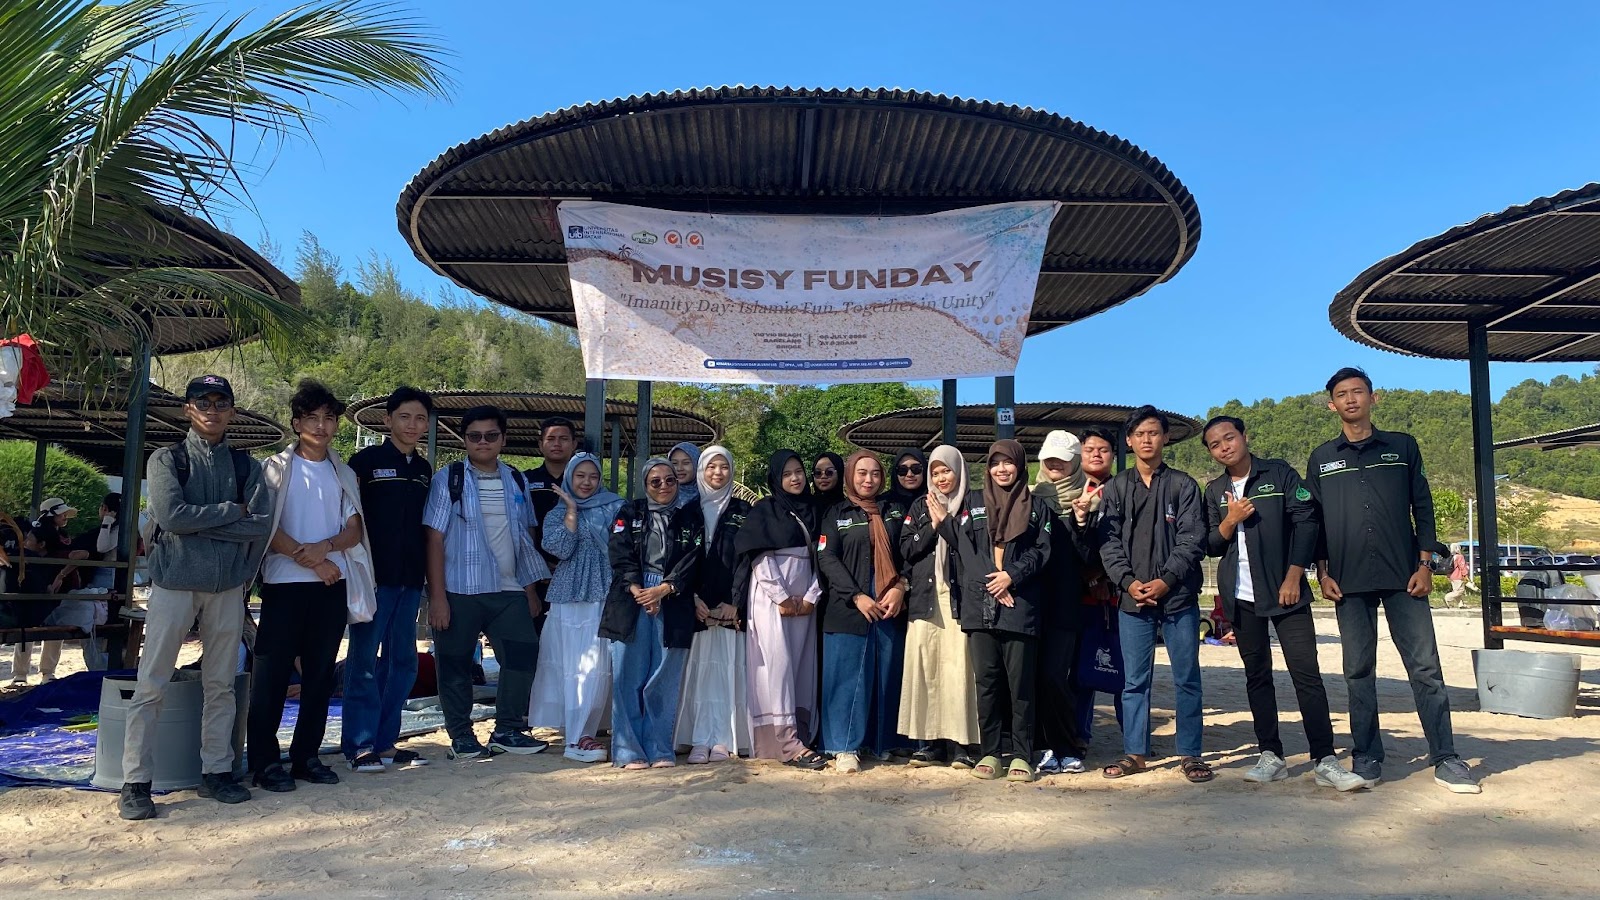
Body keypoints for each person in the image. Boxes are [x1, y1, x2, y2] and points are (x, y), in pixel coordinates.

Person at [1307, 366, 1480, 794]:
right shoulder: (1322, 458)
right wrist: (1322, 573)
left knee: (1425, 668)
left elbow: (1423, 507)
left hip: (1405, 576)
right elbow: (1314, 522)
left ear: (1373, 398)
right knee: (1357, 671)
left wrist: (1425, 565)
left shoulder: (1402, 447)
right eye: (1342, 394)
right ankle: (1367, 756)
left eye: (1358, 392)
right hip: (1347, 580)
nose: (1351, 399)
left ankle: (1446, 758)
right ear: (1331, 405)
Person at [119, 374, 273, 821]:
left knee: (221, 684)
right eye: (202, 402)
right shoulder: (167, 459)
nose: (212, 410)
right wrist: (230, 512)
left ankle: (217, 771)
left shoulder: (246, 466)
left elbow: (260, 524)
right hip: (174, 585)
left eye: (220, 402)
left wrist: (197, 524)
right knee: (152, 683)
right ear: (187, 409)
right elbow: (170, 516)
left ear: (231, 410)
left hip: (226, 588)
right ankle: (136, 781)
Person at [1201, 416, 1366, 792]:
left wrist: (1294, 577)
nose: (1224, 447)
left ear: (1245, 436)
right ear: (1211, 453)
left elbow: (1307, 523)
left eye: (1229, 438)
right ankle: (1271, 755)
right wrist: (1231, 520)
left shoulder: (1279, 474)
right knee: (1257, 676)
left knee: (1306, 675)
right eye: (1215, 444)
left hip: (1285, 592)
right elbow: (1210, 544)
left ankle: (1325, 759)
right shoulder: (1214, 490)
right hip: (1240, 597)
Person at [250, 379, 376, 792]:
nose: (321, 426)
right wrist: (313, 559)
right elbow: (266, 525)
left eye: (328, 418)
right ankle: (265, 762)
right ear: (296, 423)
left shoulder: (344, 472)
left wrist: (327, 549)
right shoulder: (274, 468)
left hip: (331, 584)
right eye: (311, 418)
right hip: (285, 582)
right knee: (270, 674)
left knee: (320, 675)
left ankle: (306, 757)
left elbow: (354, 528)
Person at [423, 405, 551, 760]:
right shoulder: (448, 478)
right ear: (465, 440)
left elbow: (525, 535)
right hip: (459, 589)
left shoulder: (517, 479)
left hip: (509, 590)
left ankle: (508, 729)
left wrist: (529, 589)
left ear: (503, 439)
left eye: (491, 435)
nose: (483, 442)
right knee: (454, 664)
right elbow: (433, 538)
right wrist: (437, 597)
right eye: (474, 436)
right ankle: (461, 737)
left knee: (523, 657)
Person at [1098, 406, 1210, 783]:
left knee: (1187, 677)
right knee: (1134, 681)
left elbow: (1192, 539)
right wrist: (1128, 582)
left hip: (1179, 599)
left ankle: (1190, 753)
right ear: (1129, 441)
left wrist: (1166, 580)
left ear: (1165, 437)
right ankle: (1135, 753)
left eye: (1154, 432)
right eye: (1140, 434)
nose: (1147, 439)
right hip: (1133, 600)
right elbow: (1108, 542)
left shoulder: (1183, 485)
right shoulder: (1116, 488)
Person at [936, 440, 1054, 783]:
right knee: (986, 684)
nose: (1001, 469)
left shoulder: (1038, 507)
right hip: (980, 606)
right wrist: (994, 582)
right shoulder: (972, 502)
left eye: (1008, 462)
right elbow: (965, 548)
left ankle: (1022, 755)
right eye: (995, 463)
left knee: (1020, 686)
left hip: (1020, 605)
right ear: (987, 468)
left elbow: (1042, 551)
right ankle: (990, 752)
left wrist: (1011, 577)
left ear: (1020, 465)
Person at [343, 385, 435, 772]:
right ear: (388, 420)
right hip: (373, 578)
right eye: (404, 417)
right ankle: (359, 744)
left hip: (411, 579)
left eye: (419, 419)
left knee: (403, 662)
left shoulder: (424, 470)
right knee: (364, 661)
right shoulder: (364, 463)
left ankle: (385, 741)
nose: (412, 425)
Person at [601, 458, 704, 768]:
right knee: (627, 675)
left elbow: (693, 557)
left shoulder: (690, 516)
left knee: (663, 678)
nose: (663, 486)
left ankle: (659, 749)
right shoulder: (629, 512)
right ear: (645, 485)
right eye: (655, 481)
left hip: (673, 595)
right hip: (630, 596)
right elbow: (619, 552)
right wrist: (638, 589)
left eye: (670, 480)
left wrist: (665, 589)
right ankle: (628, 750)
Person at [816, 451, 909, 774]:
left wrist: (901, 587)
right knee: (847, 678)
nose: (868, 479)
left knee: (885, 673)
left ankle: (881, 743)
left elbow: (910, 551)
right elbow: (827, 558)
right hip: (848, 604)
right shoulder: (836, 512)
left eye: (875, 473)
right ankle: (844, 746)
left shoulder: (894, 510)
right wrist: (856, 595)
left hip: (889, 601)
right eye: (861, 473)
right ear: (850, 477)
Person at [531, 451, 624, 763]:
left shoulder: (615, 506)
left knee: (599, 665)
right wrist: (571, 511)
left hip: (605, 592)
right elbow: (560, 549)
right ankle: (576, 736)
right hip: (570, 597)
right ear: (569, 477)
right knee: (575, 666)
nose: (587, 482)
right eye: (580, 476)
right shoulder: (557, 512)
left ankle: (591, 729)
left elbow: (625, 545)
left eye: (593, 476)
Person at [736, 450, 826, 769]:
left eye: (798, 471)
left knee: (802, 665)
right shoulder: (765, 510)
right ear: (776, 478)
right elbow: (760, 557)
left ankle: (802, 734)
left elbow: (822, 558)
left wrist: (812, 595)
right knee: (778, 665)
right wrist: (782, 597)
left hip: (806, 602)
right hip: (772, 601)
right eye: (787, 474)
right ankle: (785, 742)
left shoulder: (815, 510)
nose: (795, 478)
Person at [897, 445, 981, 769]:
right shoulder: (920, 505)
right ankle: (929, 743)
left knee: (958, 669)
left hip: (958, 598)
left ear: (959, 471)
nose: (941, 477)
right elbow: (907, 549)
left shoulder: (973, 503)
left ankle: (961, 745)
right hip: (925, 597)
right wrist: (932, 526)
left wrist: (946, 521)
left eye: (947, 470)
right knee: (927, 668)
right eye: (935, 472)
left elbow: (973, 547)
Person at [675, 446, 753, 762]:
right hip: (697, 607)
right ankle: (698, 738)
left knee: (726, 673)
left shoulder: (743, 510)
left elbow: (748, 559)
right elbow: (679, 558)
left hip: (729, 608)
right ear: (701, 471)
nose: (717, 473)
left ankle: (722, 738)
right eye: (711, 467)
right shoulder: (688, 511)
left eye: (723, 467)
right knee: (700, 675)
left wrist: (736, 601)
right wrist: (691, 597)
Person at [1029, 430, 1088, 775]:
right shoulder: (1029, 497)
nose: (1055, 464)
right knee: (1033, 677)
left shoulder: (1090, 499)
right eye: (1049, 458)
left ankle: (1067, 745)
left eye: (1062, 459)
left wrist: (1081, 522)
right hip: (1030, 603)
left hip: (1065, 605)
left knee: (1056, 677)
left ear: (1075, 462)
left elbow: (1091, 557)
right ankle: (1041, 746)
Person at [1067, 426, 1122, 748]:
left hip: (1118, 595)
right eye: (1089, 449)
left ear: (1113, 454)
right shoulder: (1069, 489)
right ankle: (1080, 735)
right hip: (1078, 597)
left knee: (1125, 670)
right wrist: (1089, 577)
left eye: (1103, 449)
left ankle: (1135, 739)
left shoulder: (1123, 489)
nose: (1096, 455)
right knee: (1081, 671)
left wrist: (1105, 577)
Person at [13, 498, 100, 681]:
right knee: (28, 625)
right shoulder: (36, 534)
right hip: (39, 584)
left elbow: (78, 555)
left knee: (54, 628)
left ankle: (46, 671)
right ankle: (22, 672)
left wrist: (61, 575)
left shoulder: (62, 536)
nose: (65, 517)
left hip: (59, 586)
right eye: (61, 513)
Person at [525, 417, 578, 604]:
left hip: (575, 577)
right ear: (541, 445)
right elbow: (520, 528)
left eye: (563, 439)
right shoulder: (525, 481)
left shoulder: (584, 483)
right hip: (534, 578)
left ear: (574, 444)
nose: (557, 444)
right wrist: (539, 564)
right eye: (550, 439)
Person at [668, 442, 702, 509]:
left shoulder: (707, 497)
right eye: (674, 463)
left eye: (686, 463)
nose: (679, 468)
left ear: (697, 464)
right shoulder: (662, 494)